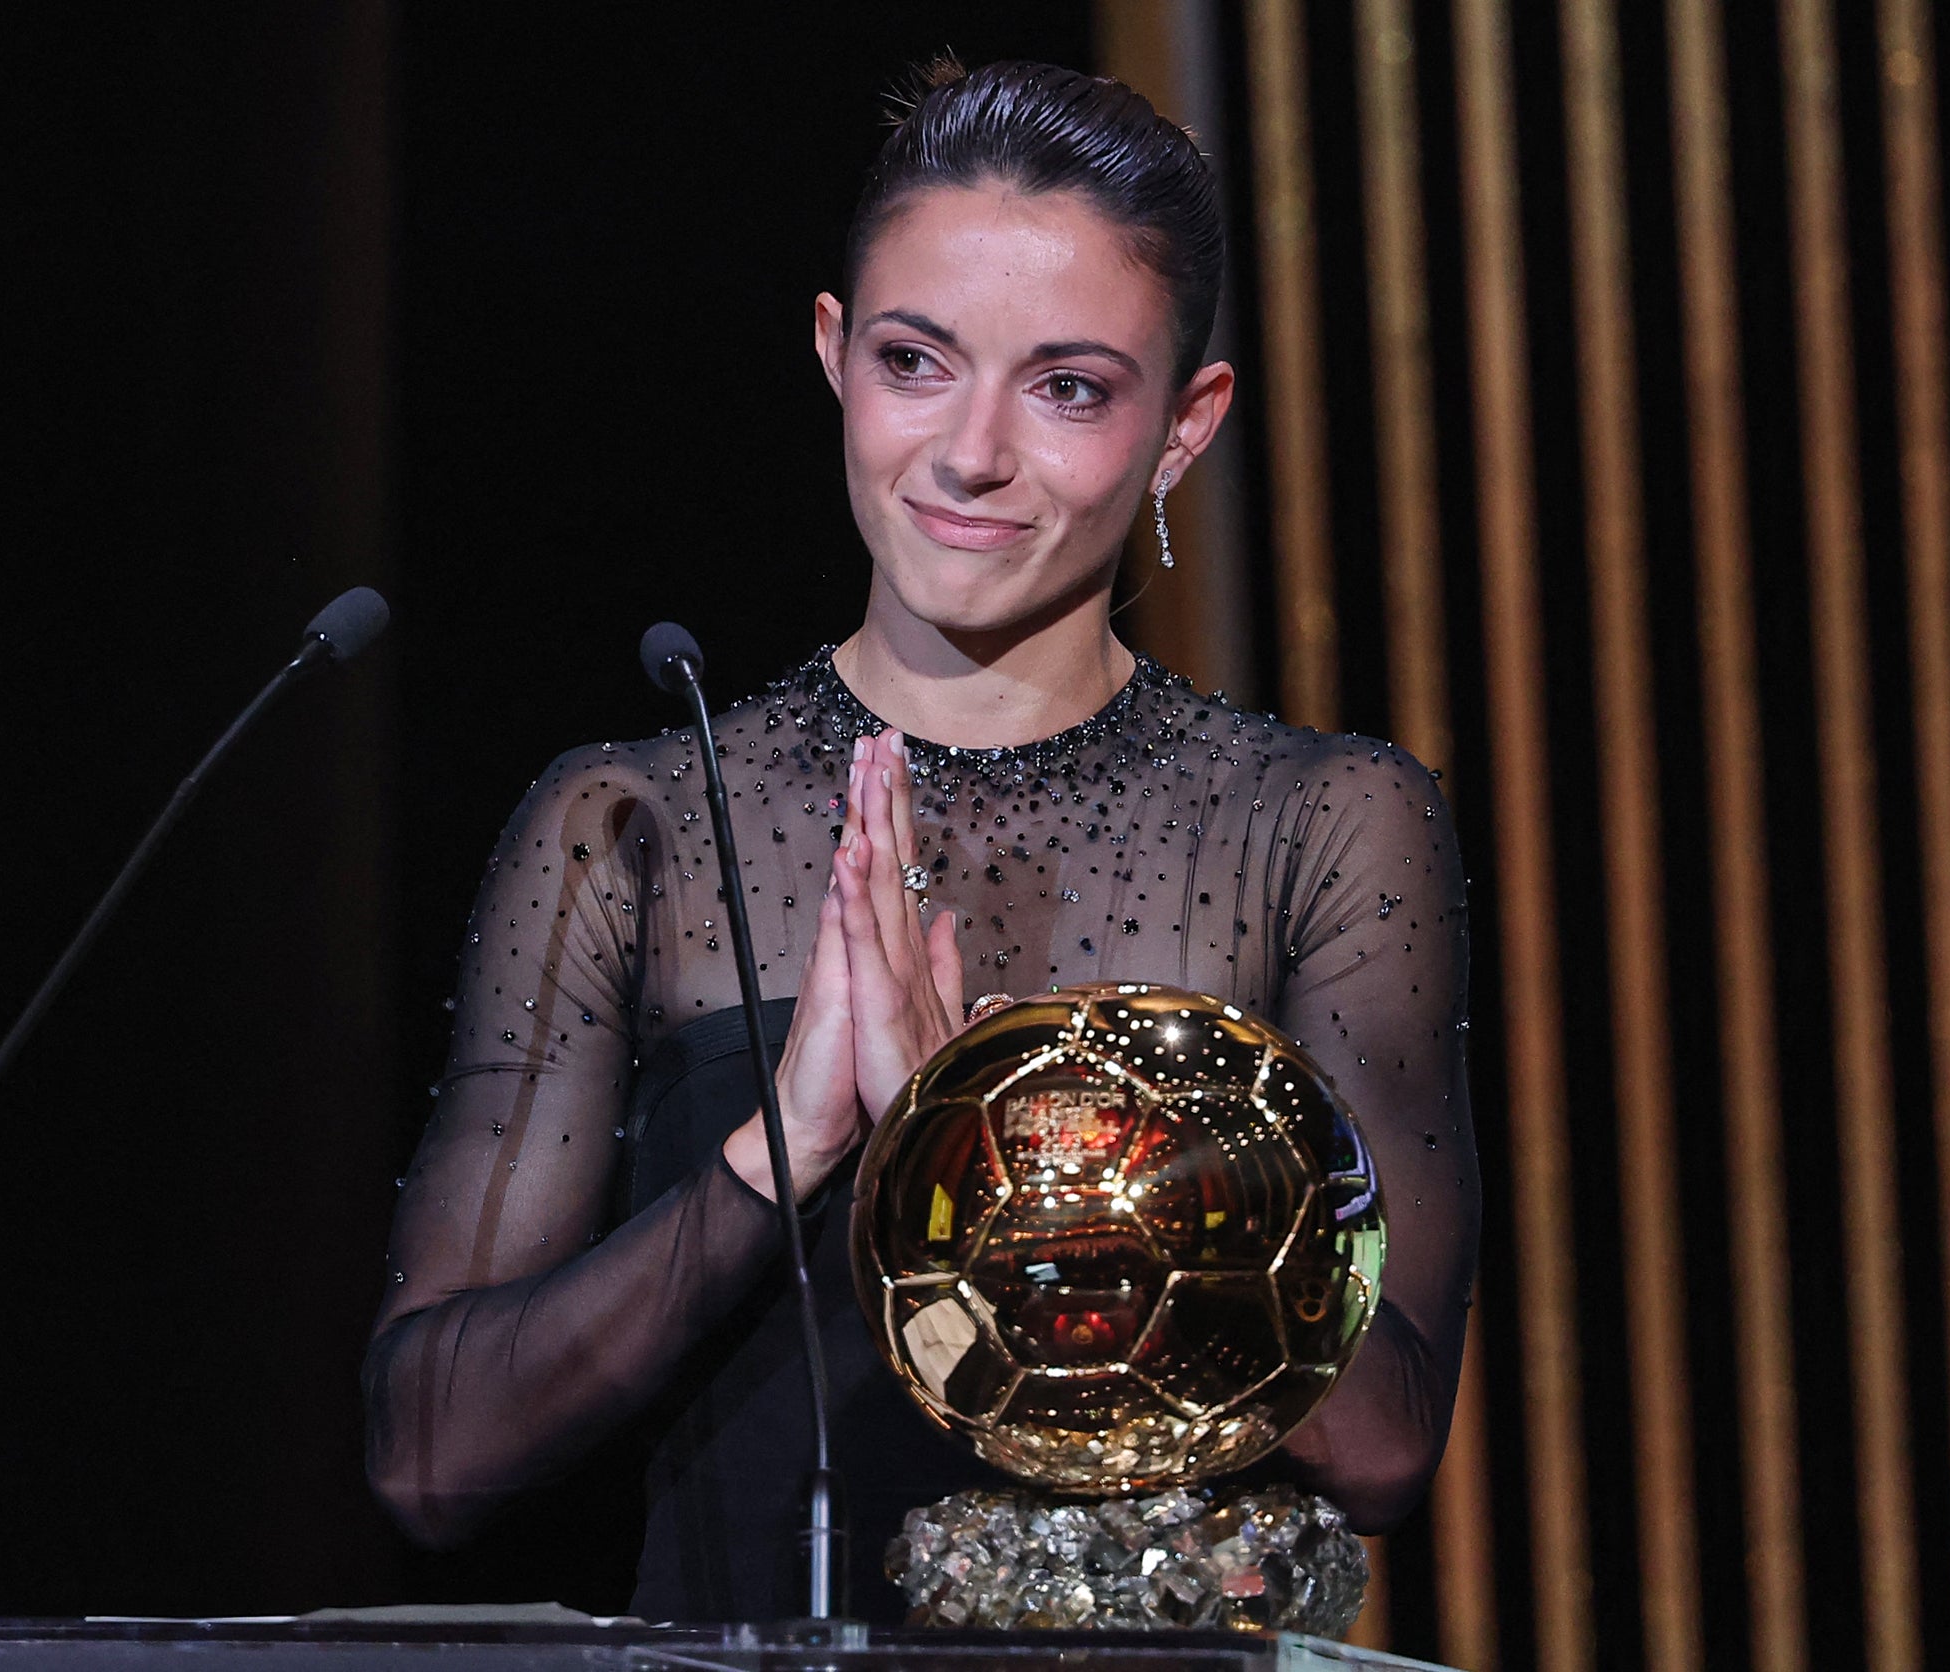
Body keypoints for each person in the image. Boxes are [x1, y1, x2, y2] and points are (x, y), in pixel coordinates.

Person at [364, 58, 1478, 1625]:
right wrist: (790, 1151)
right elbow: (430, 1454)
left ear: (1184, 425)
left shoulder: (1315, 827)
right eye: (915, 360)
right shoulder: (635, 822)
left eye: (1070, 388)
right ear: (835, 354)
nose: (969, 453)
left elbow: (1386, 1450)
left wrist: (997, 1166)